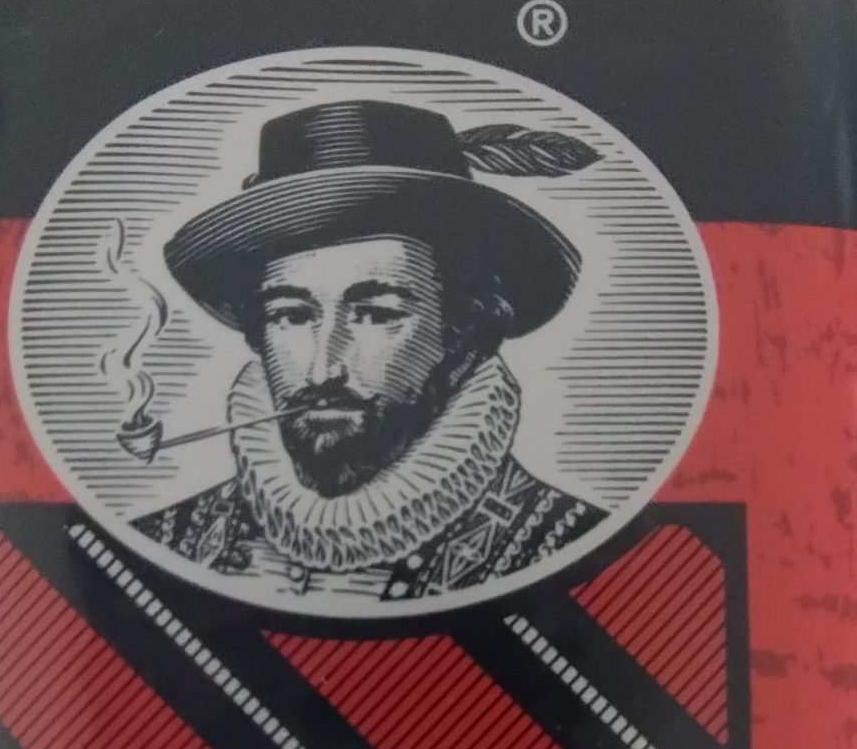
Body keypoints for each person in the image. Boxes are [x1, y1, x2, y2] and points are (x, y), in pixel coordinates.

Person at [135, 97, 603, 602]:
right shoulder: (161, 543)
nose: (323, 368)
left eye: (376, 314)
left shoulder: (568, 547)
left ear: (464, 329)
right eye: (292, 315)